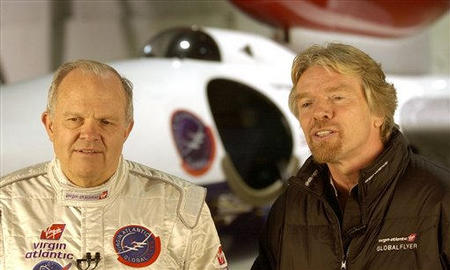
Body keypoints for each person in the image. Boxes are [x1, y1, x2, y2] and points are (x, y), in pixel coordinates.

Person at [0, 60, 228, 269]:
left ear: (126, 130)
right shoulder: (5, 205)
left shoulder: (182, 208)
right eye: (74, 120)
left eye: (105, 122)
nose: (89, 134)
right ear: (50, 125)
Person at [252, 43, 449, 270]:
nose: (318, 112)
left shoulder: (441, 200)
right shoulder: (289, 209)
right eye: (307, 103)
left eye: (337, 97)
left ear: (379, 112)